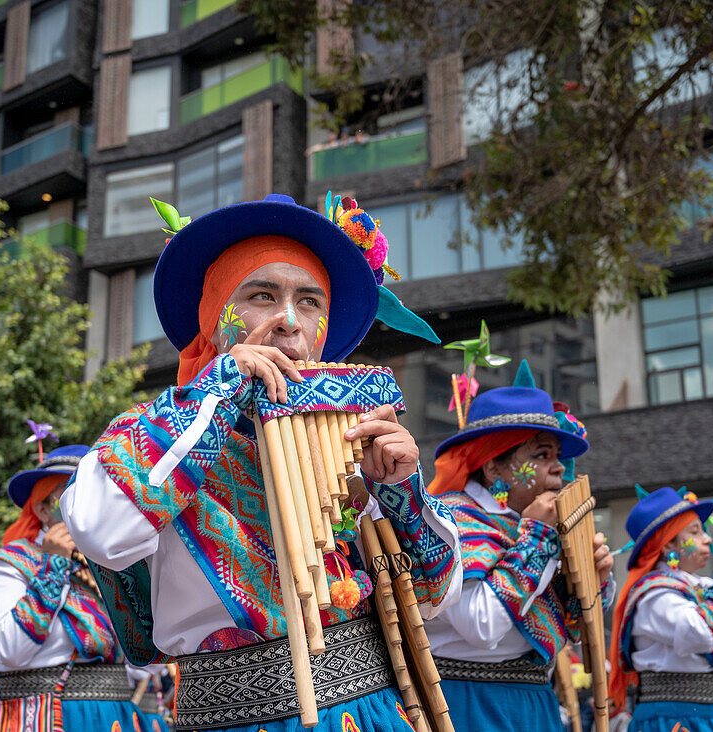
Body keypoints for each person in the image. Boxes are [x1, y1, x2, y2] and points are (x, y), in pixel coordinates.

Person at [62, 193, 460, 732]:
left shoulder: (349, 436)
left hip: (371, 712)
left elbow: (435, 599)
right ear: (215, 316)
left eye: (310, 302)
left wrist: (400, 490)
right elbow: (101, 532)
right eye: (262, 295)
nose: (288, 321)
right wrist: (218, 389)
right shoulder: (154, 426)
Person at [422, 361, 614, 731]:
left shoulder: (526, 522)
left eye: (557, 456)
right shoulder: (451, 520)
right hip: (468, 705)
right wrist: (538, 539)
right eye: (541, 456)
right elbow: (481, 625)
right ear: (494, 468)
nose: (558, 469)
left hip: (535, 702)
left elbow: (570, 631)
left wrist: (593, 581)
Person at [0, 444, 145, 731]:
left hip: (113, 717)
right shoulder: (7, 566)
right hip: (46, 717)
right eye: (74, 495)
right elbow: (11, 651)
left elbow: (146, 660)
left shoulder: (107, 569)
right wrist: (54, 566)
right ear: (42, 509)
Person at [610, 486, 713, 732]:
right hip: (677, 719)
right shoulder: (654, 594)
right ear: (668, 545)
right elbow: (702, 633)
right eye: (695, 532)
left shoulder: (700, 585)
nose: (708, 539)